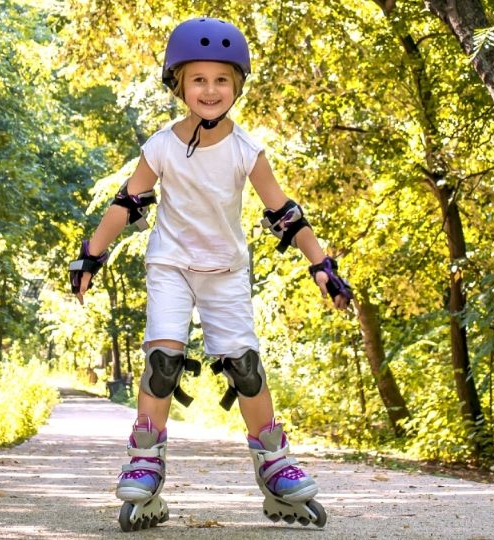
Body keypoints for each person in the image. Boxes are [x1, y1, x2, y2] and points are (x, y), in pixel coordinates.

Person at [68, 17, 352, 532]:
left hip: (225, 272)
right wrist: (91, 254)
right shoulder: (159, 146)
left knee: (245, 366)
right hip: (170, 265)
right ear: (178, 84)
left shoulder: (247, 152)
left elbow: (284, 212)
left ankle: (274, 459)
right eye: (198, 79)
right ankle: (146, 454)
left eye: (222, 79)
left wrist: (321, 265)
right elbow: (127, 203)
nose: (210, 90)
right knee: (162, 358)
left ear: (237, 86)